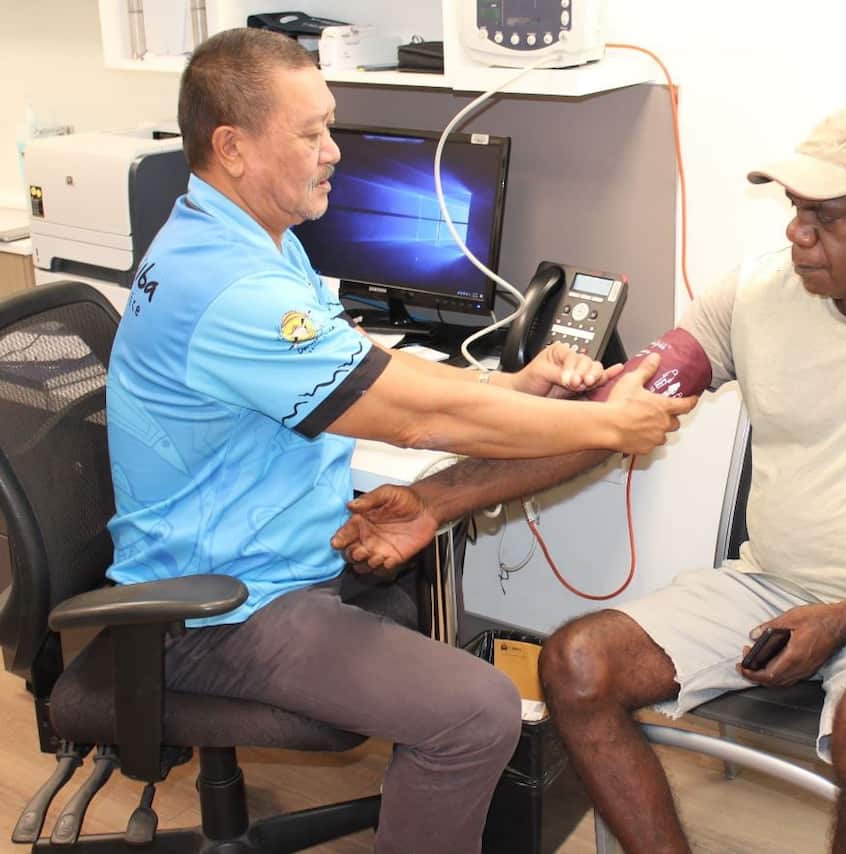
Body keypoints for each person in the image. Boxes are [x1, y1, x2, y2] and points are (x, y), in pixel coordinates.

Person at [331, 106, 846, 853]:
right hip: (771, 586)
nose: (797, 234)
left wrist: (845, 617)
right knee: (577, 664)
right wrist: (436, 500)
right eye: (795, 210)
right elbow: (611, 419)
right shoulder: (753, 294)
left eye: (826, 217)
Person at [104, 27, 697, 854]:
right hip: (217, 609)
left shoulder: (251, 239)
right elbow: (415, 418)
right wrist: (604, 423)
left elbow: (373, 365)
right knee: (475, 710)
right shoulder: (229, 286)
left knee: (432, 618)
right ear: (232, 148)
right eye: (310, 134)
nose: (333, 152)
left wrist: (512, 387)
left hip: (268, 560)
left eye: (329, 126)